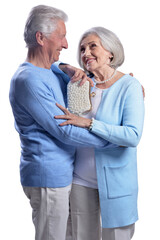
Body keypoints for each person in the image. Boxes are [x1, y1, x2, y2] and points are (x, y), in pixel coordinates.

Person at [9, 6, 116, 240]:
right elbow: (65, 131)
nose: (66, 44)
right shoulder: (28, 80)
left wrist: (124, 83)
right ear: (41, 38)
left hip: (64, 175)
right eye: (61, 36)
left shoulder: (52, 70)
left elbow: (88, 84)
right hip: (47, 176)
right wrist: (110, 140)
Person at [55, 27, 145, 240]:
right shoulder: (81, 82)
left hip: (118, 182)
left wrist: (89, 123)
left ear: (110, 52)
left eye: (92, 46)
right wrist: (66, 67)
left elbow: (132, 136)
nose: (85, 53)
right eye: (82, 49)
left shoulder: (129, 86)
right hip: (80, 180)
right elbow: (46, 66)